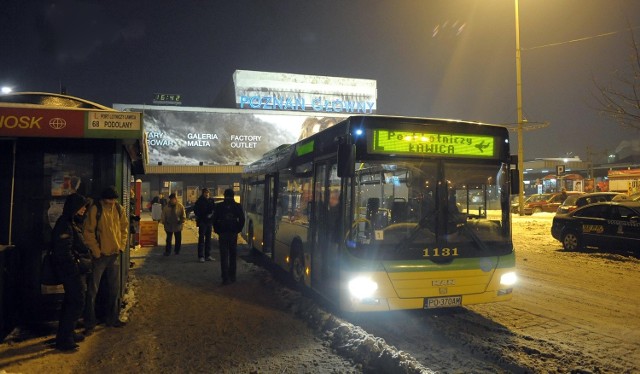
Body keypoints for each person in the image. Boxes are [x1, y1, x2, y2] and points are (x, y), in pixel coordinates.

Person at [83, 186, 129, 335]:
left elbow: (124, 228)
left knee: (114, 289)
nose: (112, 202)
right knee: (92, 290)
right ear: (103, 199)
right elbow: (88, 232)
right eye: (110, 200)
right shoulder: (96, 209)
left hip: (114, 254)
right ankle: (90, 322)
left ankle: (112, 318)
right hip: (101, 255)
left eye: (114, 199)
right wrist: (96, 251)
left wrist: (121, 246)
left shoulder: (118, 209)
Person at [51, 193, 92, 351]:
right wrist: (75, 267)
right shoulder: (65, 224)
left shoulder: (72, 222)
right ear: (74, 208)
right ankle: (64, 340)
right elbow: (63, 251)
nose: (84, 210)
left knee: (72, 302)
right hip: (71, 272)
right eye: (82, 207)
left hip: (74, 270)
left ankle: (68, 332)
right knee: (76, 302)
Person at [214, 189, 245, 285]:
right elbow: (242, 219)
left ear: (224, 195)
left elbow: (214, 220)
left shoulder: (219, 206)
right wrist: (238, 229)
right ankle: (232, 276)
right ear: (233, 195)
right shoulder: (237, 206)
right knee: (232, 255)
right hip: (233, 233)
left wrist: (218, 230)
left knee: (224, 256)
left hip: (223, 232)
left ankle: (225, 277)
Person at [193, 188, 215, 262]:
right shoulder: (200, 201)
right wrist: (202, 216)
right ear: (203, 193)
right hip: (202, 222)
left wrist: (211, 215)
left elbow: (214, 209)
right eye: (205, 192)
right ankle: (201, 256)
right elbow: (196, 210)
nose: (207, 194)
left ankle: (207, 255)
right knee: (201, 239)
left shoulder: (211, 200)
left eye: (208, 192)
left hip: (209, 222)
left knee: (208, 239)